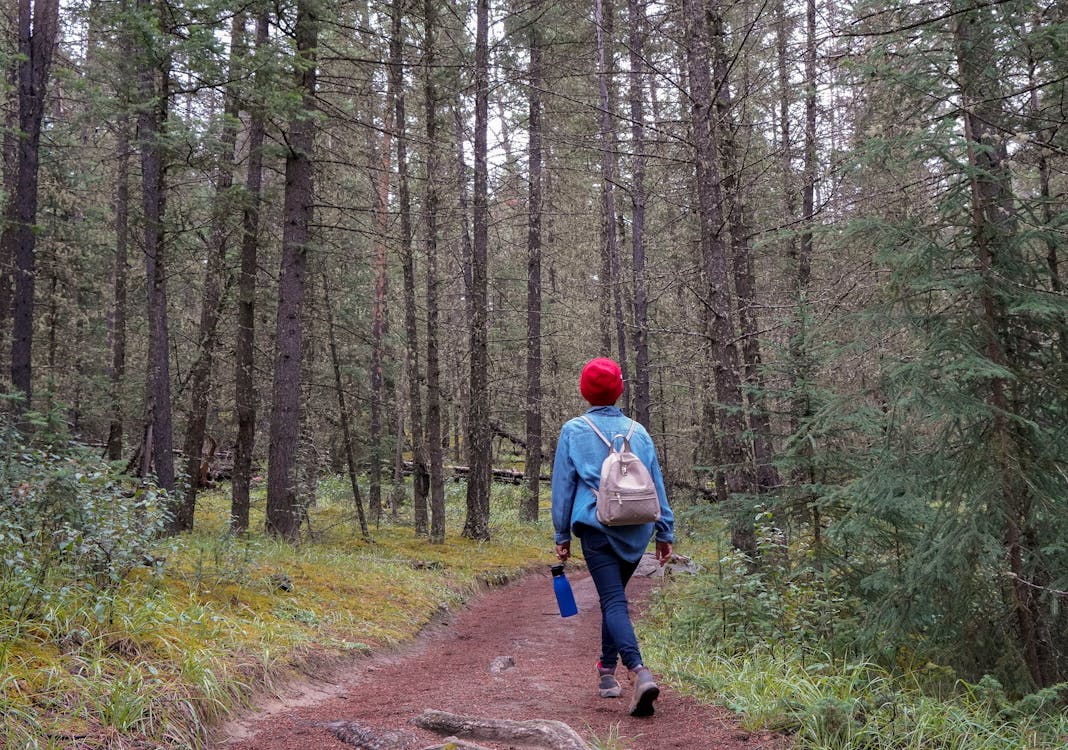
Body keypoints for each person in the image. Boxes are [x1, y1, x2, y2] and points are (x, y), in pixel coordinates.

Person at [551, 357, 675, 717]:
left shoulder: (574, 430)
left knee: (613, 601)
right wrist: (665, 531)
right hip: (637, 528)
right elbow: (657, 485)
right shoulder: (639, 432)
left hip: (597, 527)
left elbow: (563, 487)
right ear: (620, 389)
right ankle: (606, 672)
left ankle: (638, 671)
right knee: (614, 597)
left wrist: (562, 533)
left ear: (584, 391)